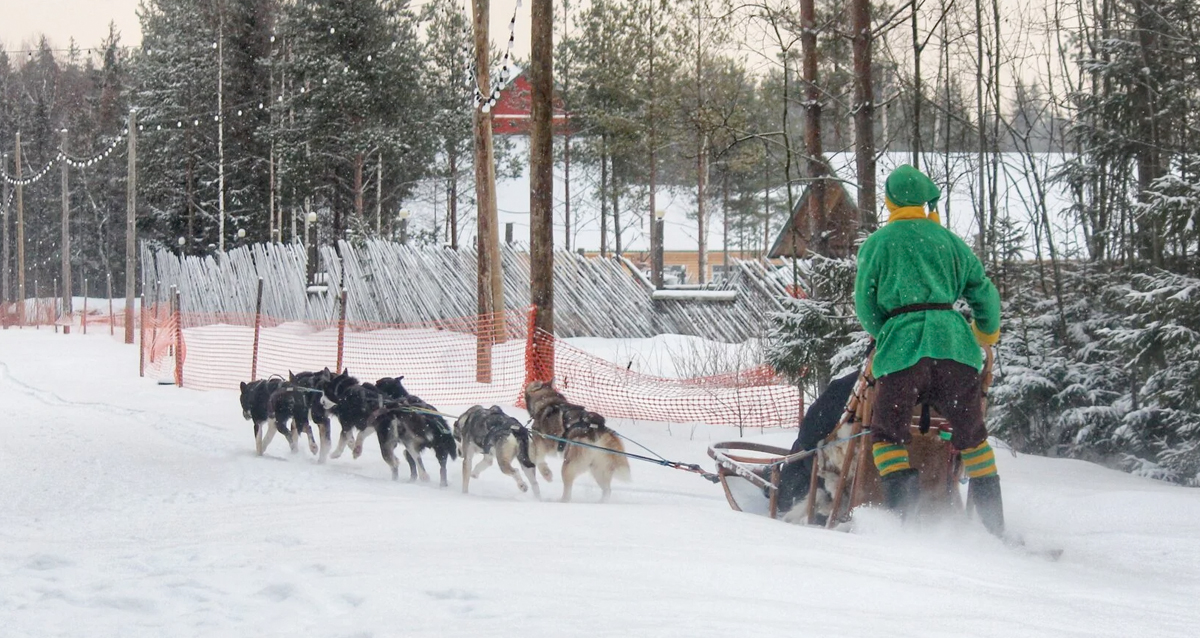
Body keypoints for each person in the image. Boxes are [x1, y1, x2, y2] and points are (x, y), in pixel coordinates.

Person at [853, 164, 1004, 536]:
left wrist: (885, 332)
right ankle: (994, 530)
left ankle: (905, 523)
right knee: (972, 436)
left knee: (888, 434)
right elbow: (983, 291)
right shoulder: (949, 241)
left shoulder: (880, 243)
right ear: (924, 201)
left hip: (902, 350)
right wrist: (985, 333)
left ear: (889, 200)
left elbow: (864, 302)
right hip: (954, 347)